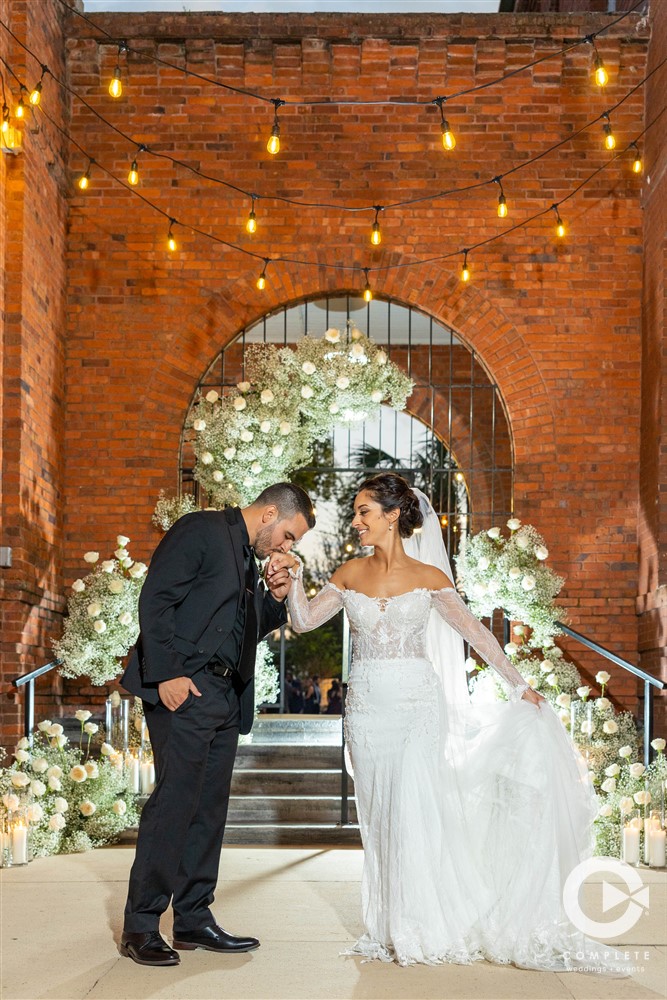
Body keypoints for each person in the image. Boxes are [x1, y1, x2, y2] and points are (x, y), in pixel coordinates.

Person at [267, 473, 629, 975]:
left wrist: (518, 684)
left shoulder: (430, 578)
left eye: (363, 511)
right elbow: (304, 621)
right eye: (355, 512)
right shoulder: (349, 574)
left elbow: (477, 635)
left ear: (393, 516)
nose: (355, 521)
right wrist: (293, 582)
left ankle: (423, 925)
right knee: (380, 815)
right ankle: (392, 925)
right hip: (368, 711)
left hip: (418, 707)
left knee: (414, 809)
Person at [120, 483, 314, 967]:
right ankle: (141, 926)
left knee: (208, 811)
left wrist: (274, 598)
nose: (287, 548)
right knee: (174, 806)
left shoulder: (248, 557)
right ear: (270, 512)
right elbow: (156, 599)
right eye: (289, 535)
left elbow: (242, 628)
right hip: (186, 690)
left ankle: (192, 919)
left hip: (225, 698)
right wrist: (167, 674)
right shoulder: (201, 530)